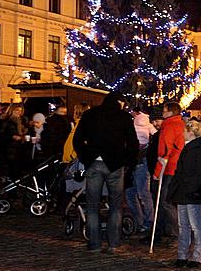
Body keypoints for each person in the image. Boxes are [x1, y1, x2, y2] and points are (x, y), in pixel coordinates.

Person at [72, 92, 138, 252]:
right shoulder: (123, 117)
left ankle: (94, 243)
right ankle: (113, 243)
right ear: (119, 102)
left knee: (92, 205)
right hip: (115, 165)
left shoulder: (89, 115)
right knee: (116, 205)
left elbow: (77, 139)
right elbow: (133, 142)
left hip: (94, 162)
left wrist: (86, 157)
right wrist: (127, 161)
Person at [168, 119, 201, 268]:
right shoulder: (189, 147)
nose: (182, 133)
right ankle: (182, 254)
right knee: (183, 225)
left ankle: (197, 255)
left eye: (185, 131)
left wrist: (188, 188)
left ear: (191, 132)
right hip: (184, 191)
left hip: (192, 192)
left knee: (195, 225)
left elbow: (199, 174)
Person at [144, 102, 185, 246]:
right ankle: (168, 232)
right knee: (167, 202)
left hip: (168, 168)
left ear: (169, 112)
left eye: (165, 111)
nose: (163, 113)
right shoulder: (181, 124)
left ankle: (177, 233)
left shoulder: (168, 126)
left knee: (164, 202)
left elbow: (164, 151)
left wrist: (157, 172)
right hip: (176, 166)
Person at [127, 110, 157, 234]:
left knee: (134, 194)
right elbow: (156, 135)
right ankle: (146, 220)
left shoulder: (132, 125)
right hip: (139, 162)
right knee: (141, 193)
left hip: (135, 162)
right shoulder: (149, 126)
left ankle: (146, 221)